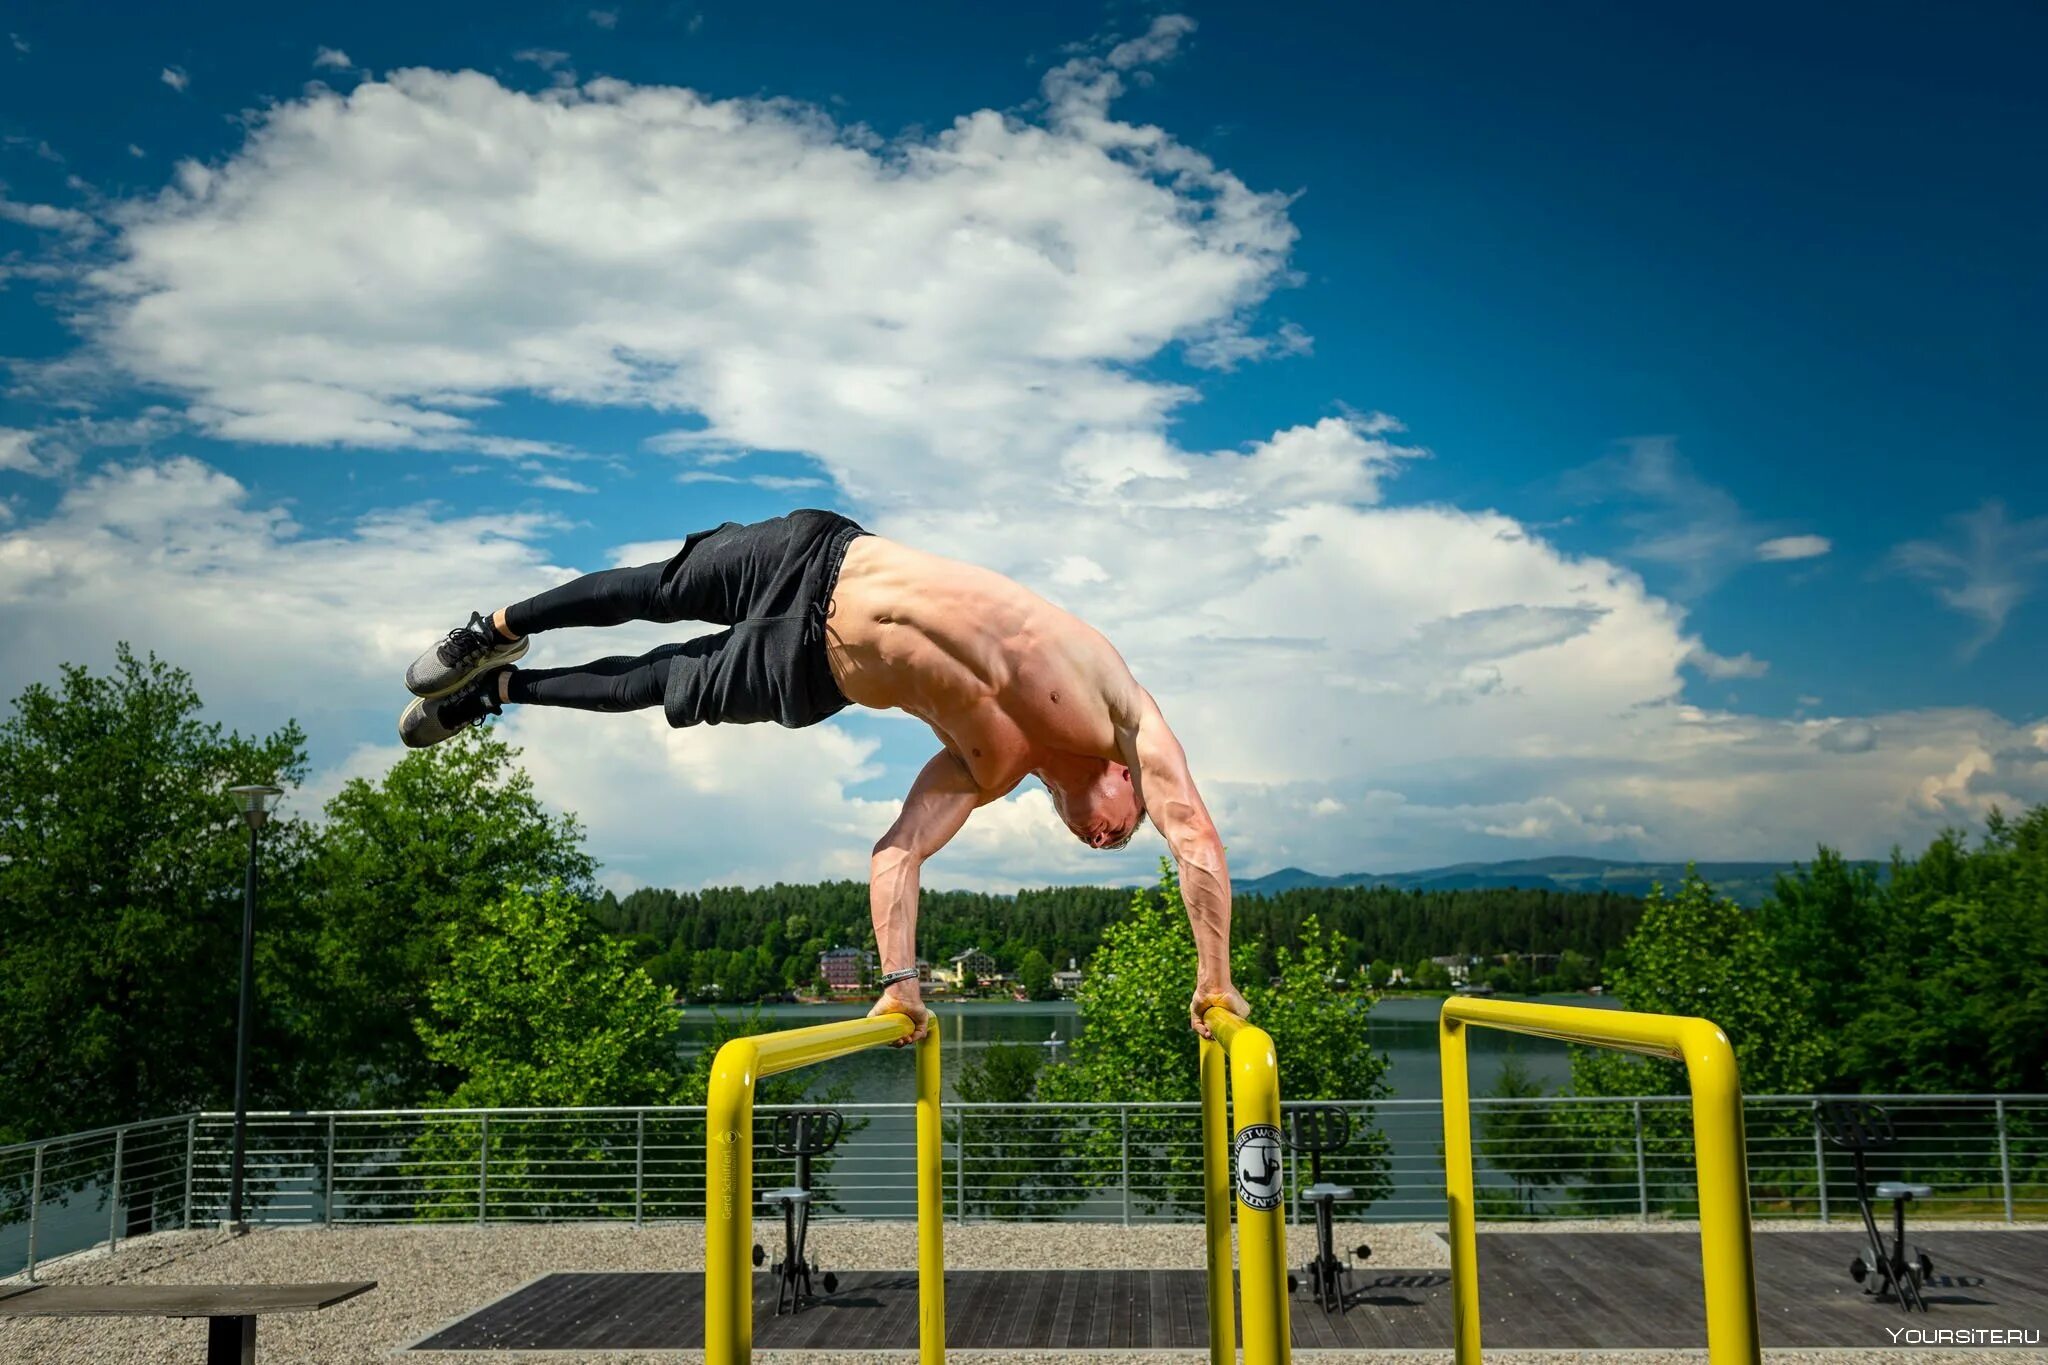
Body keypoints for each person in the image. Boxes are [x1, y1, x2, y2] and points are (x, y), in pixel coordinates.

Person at [402, 509, 1249, 1042]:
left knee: (656, 681)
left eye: (1108, 845)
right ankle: (497, 629)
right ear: (1124, 779)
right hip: (825, 555)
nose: (1106, 838)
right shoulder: (1120, 701)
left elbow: (898, 853)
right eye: (1124, 825)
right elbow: (1197, 838)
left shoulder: (986, 771)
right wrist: (1217, 975)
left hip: (813, 666)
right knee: (657, 588)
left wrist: (900, 984)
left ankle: (499, 689)